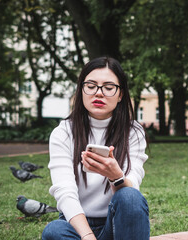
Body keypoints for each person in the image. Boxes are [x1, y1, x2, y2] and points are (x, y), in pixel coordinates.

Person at [42, 57, 150, 240]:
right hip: (77, 227)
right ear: (81, 90)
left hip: (116, 222)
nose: (99, 93)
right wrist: (87, 236)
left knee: (130, 197)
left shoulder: (133, 132)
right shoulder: (63, 133)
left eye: (108, 88)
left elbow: (132, 193)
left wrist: (116, 177)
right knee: (54, 231)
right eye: (91, 86)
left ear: (121, 94)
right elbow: (65, 193)